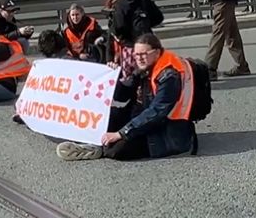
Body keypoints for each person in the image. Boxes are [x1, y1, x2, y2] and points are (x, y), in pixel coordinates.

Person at [55, 33, 198, 162]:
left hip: (166, 130)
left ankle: (97, 149)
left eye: (144, 54)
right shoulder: (145, 67)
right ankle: (94, 143)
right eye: (136, 54)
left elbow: (156, 112)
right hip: (141, 117)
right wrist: (113, 76)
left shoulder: (169, 75)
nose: (139, 58)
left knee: (119, 150)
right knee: (103, 119)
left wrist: (122, 133)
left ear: (157, 53)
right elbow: (122, 96)